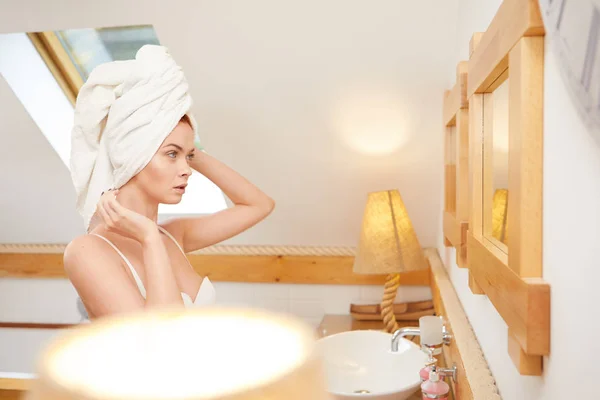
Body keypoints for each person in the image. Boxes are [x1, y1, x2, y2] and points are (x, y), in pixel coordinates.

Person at [63, 45, 274, 321]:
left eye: (188, 157)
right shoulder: (87, 251)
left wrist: (189, 149)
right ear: (133, 156)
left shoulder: (174, 235)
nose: (187, 170)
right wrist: (148, 237)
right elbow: (161, 344)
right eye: (171, 154)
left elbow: (259, 205)